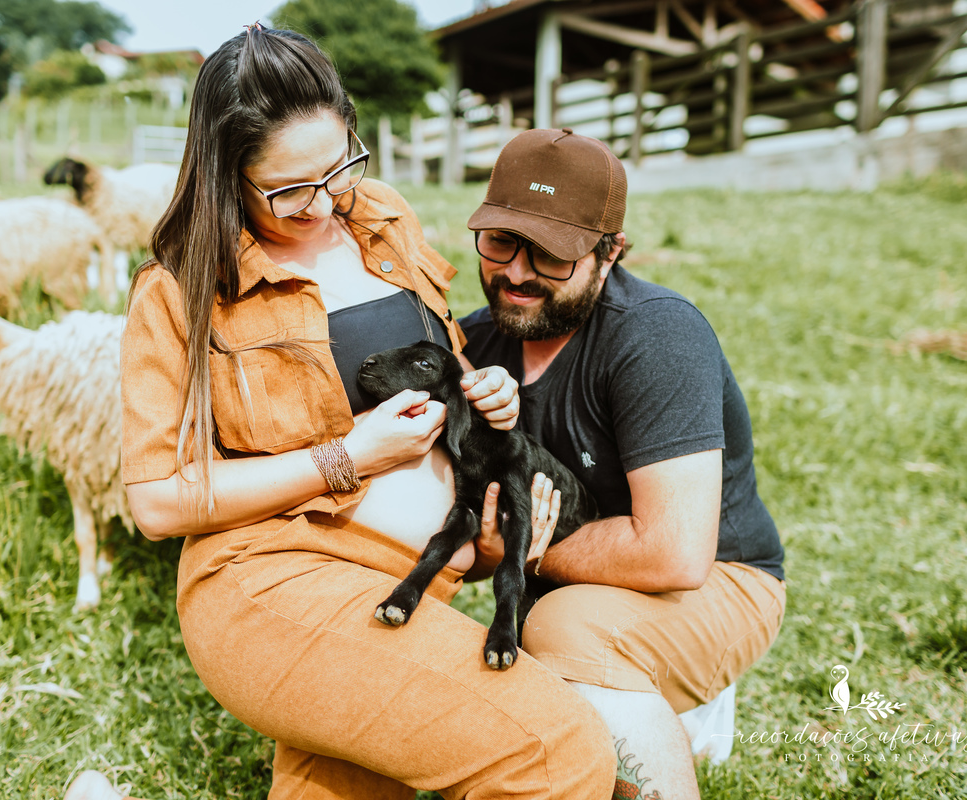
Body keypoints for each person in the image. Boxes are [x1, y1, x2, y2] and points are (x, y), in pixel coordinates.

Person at [92, 25, 617, 800]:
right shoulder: (177, 291)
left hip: (417, 577)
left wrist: (483, 399)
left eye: (339, 167)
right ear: (225, 176)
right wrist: (347, 458)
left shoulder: (381, 216)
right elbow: (158, 502)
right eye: (288, 190)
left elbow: (441, 361)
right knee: (555, 752)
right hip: (275, 581)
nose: (323, 202)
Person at [459, 129, 787, 800]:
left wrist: (527, 550)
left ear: (610, 254)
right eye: (501, 242)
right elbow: (478, 540)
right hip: (569, 591)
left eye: (551, 254)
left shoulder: (656, 334)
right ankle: (650, 707)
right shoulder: (474, 345)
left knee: (558, 631)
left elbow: (674, 553)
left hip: (717, 581)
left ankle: (666, 707)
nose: (517, 272)